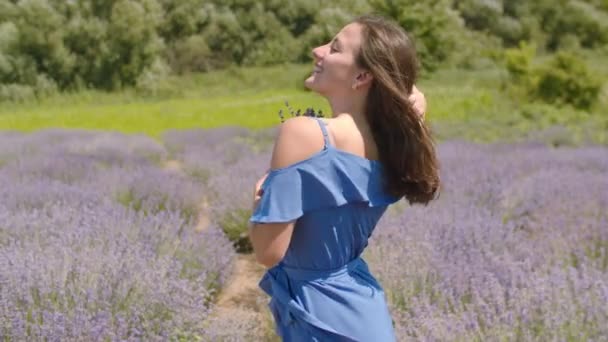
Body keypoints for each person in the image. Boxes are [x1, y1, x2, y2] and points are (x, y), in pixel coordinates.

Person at [247, 14, 440, 341]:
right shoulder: (395, 142)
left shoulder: (304, 134)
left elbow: (268, 252)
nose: (317, 50)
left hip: (319, 316)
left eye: (334, 48)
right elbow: (414, 95)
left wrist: (260, 200)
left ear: (363, 75)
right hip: (360, 310)